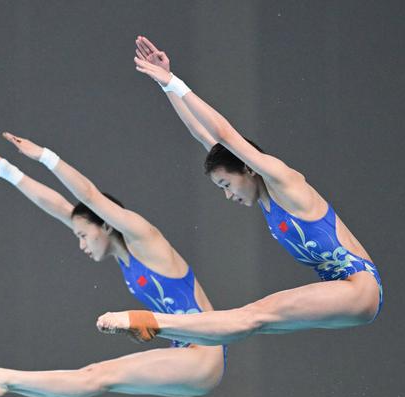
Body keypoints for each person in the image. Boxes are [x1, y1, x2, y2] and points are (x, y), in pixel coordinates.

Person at [96, 36, 383, 345]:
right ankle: (164, 328)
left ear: (247, 168)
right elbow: (203, 134)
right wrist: (166, 87)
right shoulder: (260, 189)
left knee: (253, 316)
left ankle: (154, 322)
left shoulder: (284, 181)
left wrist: (175, 81)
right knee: (249, 321)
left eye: (226, 184)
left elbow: (225, 134)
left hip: (358, 287)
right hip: (345, 290)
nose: (228, 195)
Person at [0, 132, 224, 397]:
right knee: (96, 379)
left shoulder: (145, 240)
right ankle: (9, 384)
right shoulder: (123, 257)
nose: (82, 245)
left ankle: (4, 379)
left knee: (97, 376)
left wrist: (46, 157)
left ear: (106, 224)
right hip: (186, 355)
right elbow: (59, 206)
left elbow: (91, 196)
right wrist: (7, 171)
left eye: (83, 235)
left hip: (201, 355)